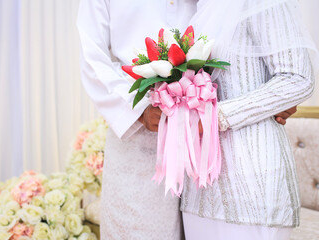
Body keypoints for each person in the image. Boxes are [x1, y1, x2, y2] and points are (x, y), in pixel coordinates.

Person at [77, 0, 316, 239]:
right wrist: (138, 110)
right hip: (139, 142)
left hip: (205, 157)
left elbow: (272, 69)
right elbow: (92, 57)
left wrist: (273, 96)